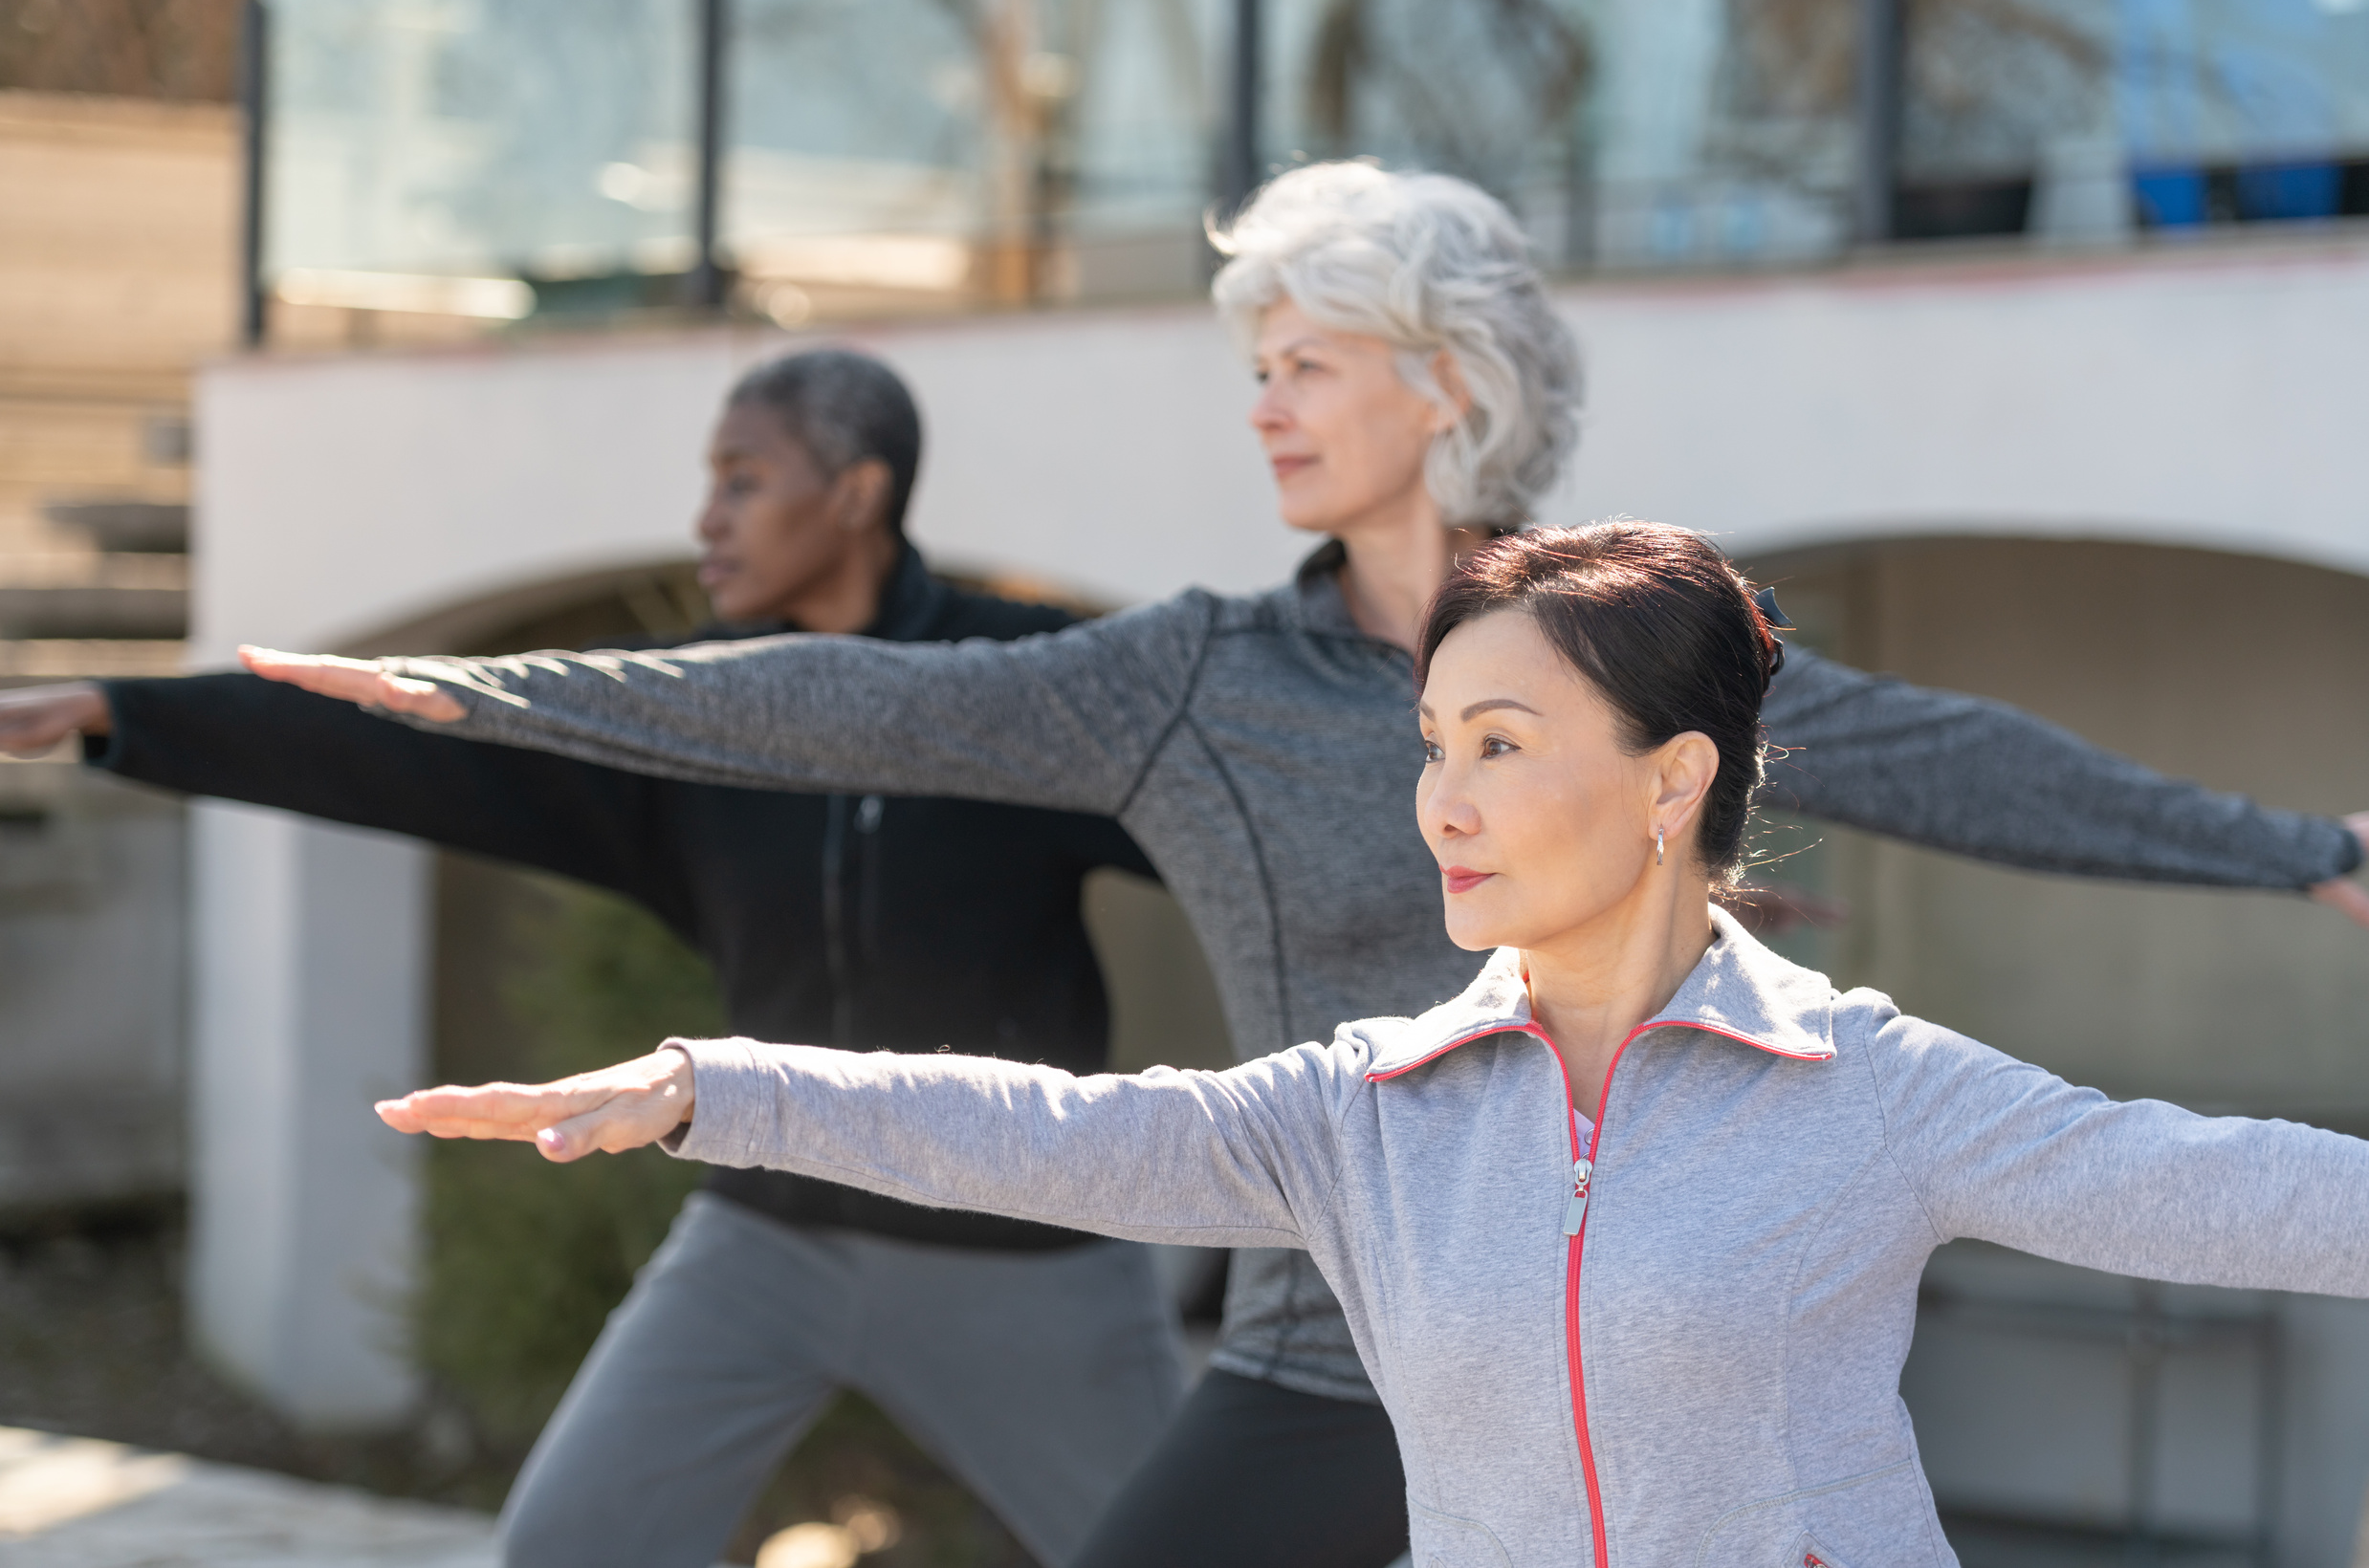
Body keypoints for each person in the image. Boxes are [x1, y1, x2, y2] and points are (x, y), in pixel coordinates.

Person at [230, 164, 2369, 1568]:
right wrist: (509, 703)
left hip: (1657, 1361)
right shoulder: (1182, 687)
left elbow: (1982, 793)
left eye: (1302, 363)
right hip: (1317, 1333)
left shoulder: (1649, 672)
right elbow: (859, 714)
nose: (1260, 406)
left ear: (1441, 390)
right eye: (1247, 366)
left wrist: (2294, 854)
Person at [368, 521, 2369, 1568]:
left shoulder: (1871, 1089)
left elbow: (2219, 1186)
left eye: (1499, 748)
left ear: (1670, 784)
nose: (1439, 803)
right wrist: (723, 1085)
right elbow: (1058, 1131)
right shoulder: (1367, 1111)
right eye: (1430, 747)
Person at [0, 351, 1184, 1568]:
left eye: (743, 479)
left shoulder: (1022, 686)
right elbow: (425, 749)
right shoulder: (698, 713)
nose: (705, 519)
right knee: (567, 1546)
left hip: (1018, 1251)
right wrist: (117, 712)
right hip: (767, 1237)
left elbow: (1253, 821)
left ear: (855, 494)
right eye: (709, 481)